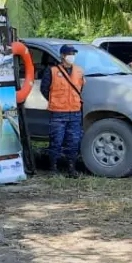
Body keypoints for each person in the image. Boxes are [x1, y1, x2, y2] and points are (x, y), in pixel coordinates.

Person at [40, 45, 85, 177]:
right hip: (58, 112)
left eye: (73, 53)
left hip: (75, 112)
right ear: (62, 56)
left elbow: (80, 88)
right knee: (56, 142)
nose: (72, 56)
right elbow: (44, 89)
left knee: (74, 142)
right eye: (70, 53)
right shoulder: (52, 70)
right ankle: (53, 169)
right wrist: (56, 100)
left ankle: (71, 169)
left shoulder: (79, 71)